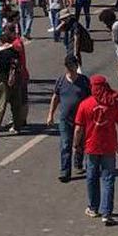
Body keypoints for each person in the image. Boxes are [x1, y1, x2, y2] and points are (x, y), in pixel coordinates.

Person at [73, 75, 118, 226]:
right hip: (109, 147)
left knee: (91, 177)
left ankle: (93, 207)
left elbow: (78, 129)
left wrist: (77, 145)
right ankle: (107, 213)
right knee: (108, 179)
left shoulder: (85, 104)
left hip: (91, 147)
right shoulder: (113, 103)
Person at [46, 54, 90, 182]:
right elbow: (55, 98)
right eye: (69, 66)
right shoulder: (61, 81)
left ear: (77, 66)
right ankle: (65, 171)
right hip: (65, 120)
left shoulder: (84, 81)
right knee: (65, 144)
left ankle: (78, 162)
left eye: (73, 66)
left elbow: (90, 99)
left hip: (81, 120)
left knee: (80, 144)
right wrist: (50, 114)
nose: (71, 69)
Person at [0, 30, 26, 137]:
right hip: (15, 78)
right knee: (16, 103)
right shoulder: (16, 50)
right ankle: (17, 127)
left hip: (3, 78)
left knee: (0, 103)